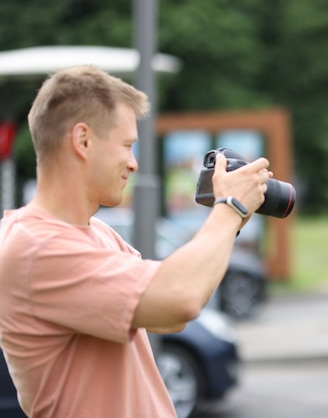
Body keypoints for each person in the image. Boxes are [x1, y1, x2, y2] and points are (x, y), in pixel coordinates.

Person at [0, 65, 271, 418]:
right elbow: (179, 300)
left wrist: (229, 222)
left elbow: (167, 316)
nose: (134, 163)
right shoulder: (35, 247)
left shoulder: (96, 233)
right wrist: (230, 208)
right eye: (127, 145)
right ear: (83, 140)